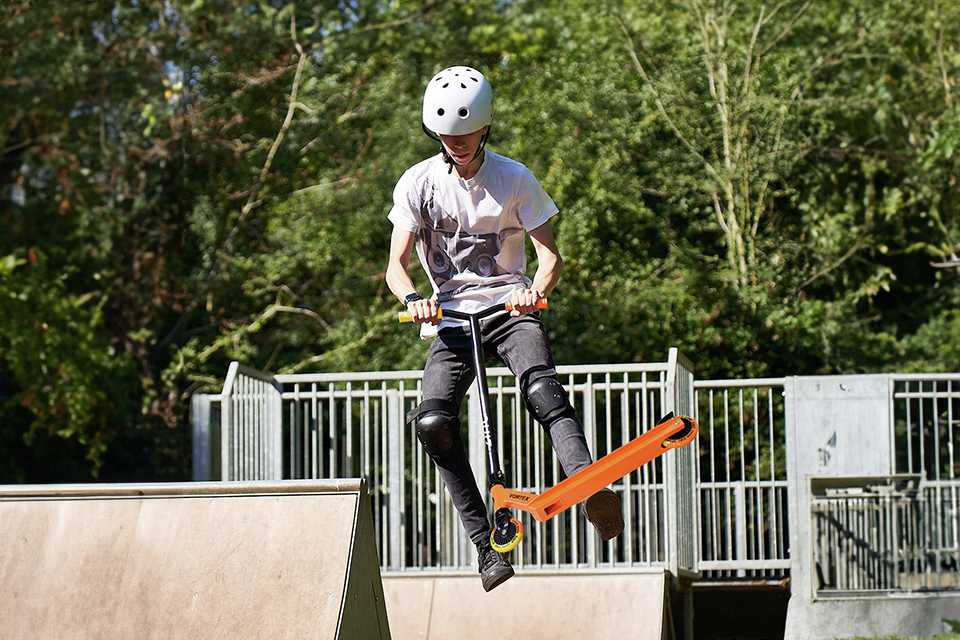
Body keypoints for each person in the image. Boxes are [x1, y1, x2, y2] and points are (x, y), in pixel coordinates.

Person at [384, 65, 623, 592]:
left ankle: (587, 487)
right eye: (447, 136)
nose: (457, 143)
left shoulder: (515, 178)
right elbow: (395, 265)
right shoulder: (418, 183)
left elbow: (550, 257)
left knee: (541, 387)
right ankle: (486, 548)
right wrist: (413, 299)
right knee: (431, 423)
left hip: (509, 311)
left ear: (486, 125)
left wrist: (532, 292)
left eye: (465, 134)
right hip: (449, 318)